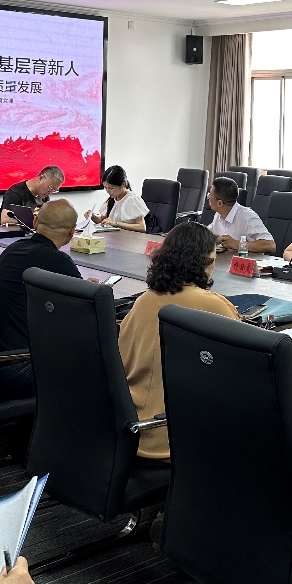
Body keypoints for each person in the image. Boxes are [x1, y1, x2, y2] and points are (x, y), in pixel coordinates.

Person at [117, 222, 240, 460]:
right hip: (171, 438)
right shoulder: (215, 306)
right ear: (207, 262)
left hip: (127, 428)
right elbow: (241, 374)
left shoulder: (143, 301)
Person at [0, 200, 80, 398]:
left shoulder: (13, 249)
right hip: (13, 370)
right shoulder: (59, 261)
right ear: (72, 231)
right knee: (90, 356)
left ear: (35, 222)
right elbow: (87, 310)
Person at [205, 177, 274, 254]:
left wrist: (238, 244)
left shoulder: (248, 217)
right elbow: (209, 233)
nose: (208, 198)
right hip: (226, 258)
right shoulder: (219, 214)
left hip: (246, 260)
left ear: (219, 203)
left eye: (210, 195)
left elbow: (270, 245)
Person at [82, 165, 148, 233]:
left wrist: (116, 224)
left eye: (111, 188)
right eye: (105, 188)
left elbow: (142, 227)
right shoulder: (112, 199)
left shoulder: (131, 200)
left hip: (129, 238)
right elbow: (104, 220)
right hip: (115, 237)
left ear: (123, 184)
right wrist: (93, 216)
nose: (108, 191)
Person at [0, 166, 64, 225]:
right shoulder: (15, 193)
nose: (51, 193)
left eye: (54, 190)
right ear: (41, 178)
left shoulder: (44, 196)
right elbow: (4, 219)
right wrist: (34, 219)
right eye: (50, 188)